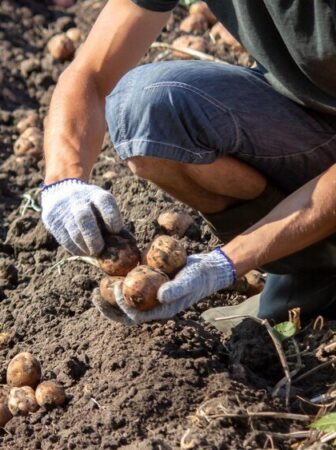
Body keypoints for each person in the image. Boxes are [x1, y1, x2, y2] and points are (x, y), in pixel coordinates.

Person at [40, 0, 336, 328]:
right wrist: (63, 181)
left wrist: (228, 261)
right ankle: (314, 268)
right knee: (145, 105)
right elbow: (92, 73)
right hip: (308, 124)